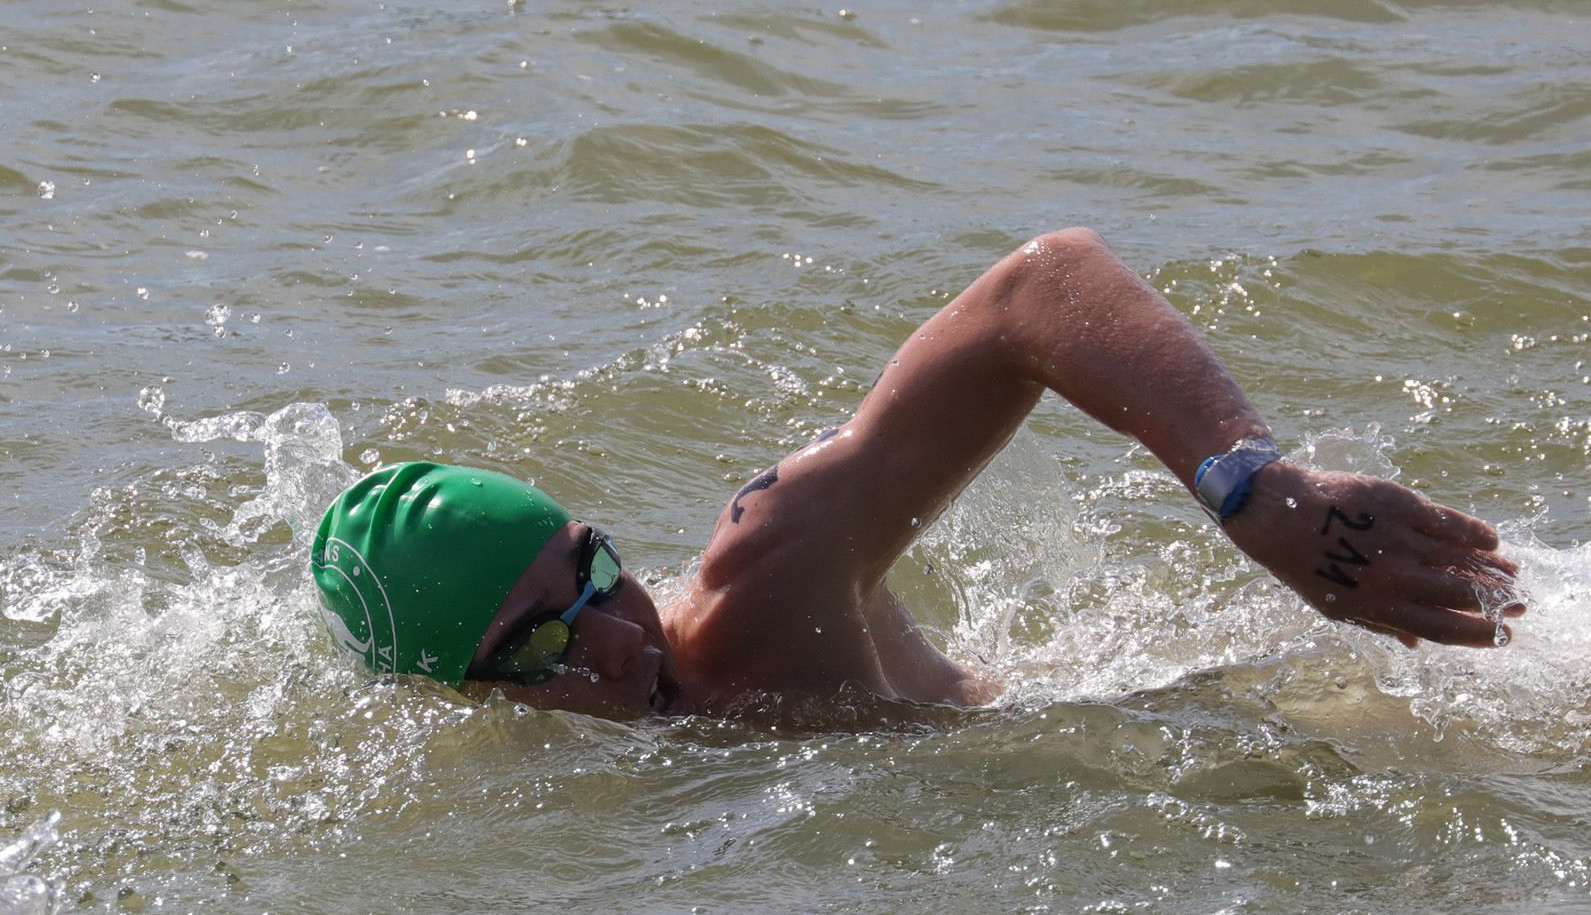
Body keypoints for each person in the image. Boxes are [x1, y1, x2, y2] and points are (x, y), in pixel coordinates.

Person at [311, 228, 1522, 719]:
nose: (620, 637)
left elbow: (1038, 290)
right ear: (456, 696)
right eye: (545, 643)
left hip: (1283, 701)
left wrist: (1253, 488)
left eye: (596, 572)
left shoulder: (760, 586)